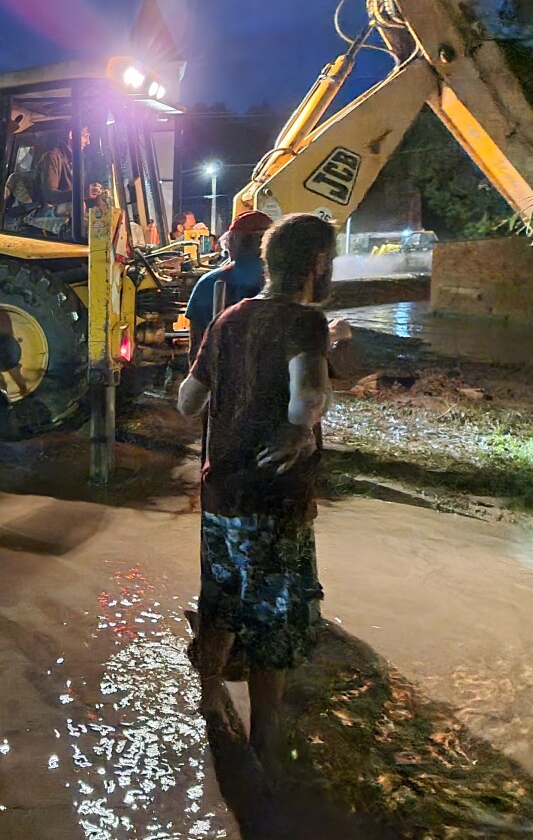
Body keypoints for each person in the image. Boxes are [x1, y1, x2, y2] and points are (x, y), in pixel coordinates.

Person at [176, 213, 337, 773]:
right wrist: (299, 428)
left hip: (221, 494)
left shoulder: (227, 319)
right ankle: (267, 745)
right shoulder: (305, 324)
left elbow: (187, 400)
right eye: (329, 261)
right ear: (316, 265)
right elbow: (306, 398)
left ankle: (210, 695)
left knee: (219, 600)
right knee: (272, 625)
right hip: (273, 502)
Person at [184, 210, 273, 360]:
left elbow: (196, 348)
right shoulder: (286, 284)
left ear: (233, 243)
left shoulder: (207, 283)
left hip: (222, 376)